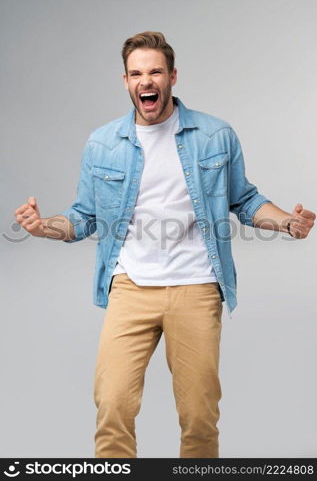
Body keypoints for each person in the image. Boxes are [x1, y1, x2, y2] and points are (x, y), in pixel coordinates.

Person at [14, 31, 316, 458]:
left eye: (155, 71)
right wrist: (45, 227)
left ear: (172, 76)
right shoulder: (103, 144)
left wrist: (287, 222)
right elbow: (83, 217)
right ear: (125, 82)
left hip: (196, 286)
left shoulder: (214, 135)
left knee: (198, 415)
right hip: (129, 287)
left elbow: (244, 200)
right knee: (113, 404)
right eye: (136, 73)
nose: (146, 80)